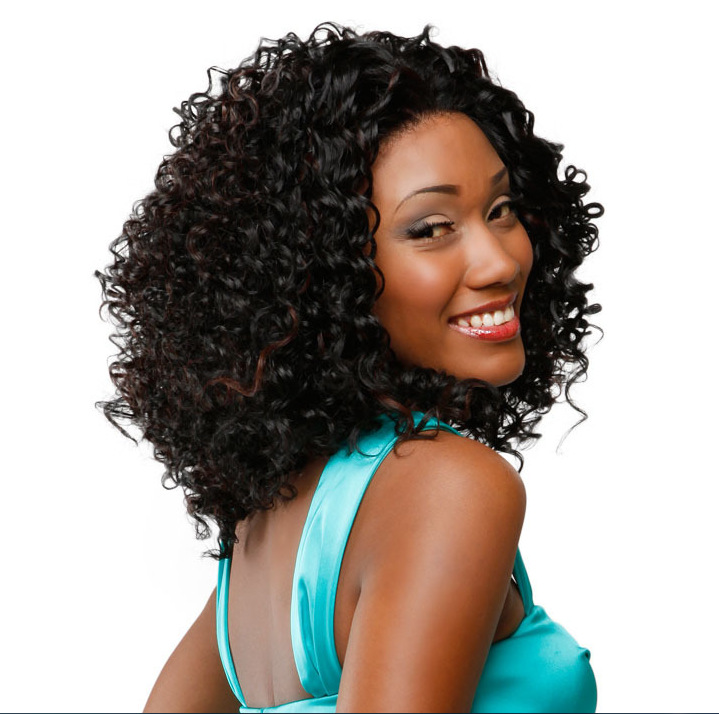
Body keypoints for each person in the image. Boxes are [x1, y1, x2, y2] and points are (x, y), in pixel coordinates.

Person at [97, 23, 602, 713]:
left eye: (500, 209)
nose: (500, 262)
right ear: (322, 273)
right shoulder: (449, 487)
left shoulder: (268, 522)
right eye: (431, 228)